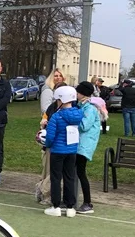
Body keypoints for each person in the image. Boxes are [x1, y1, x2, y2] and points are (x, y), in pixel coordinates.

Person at [43, 86, 83, 218]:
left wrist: (47, 144)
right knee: (69, 177)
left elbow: (50, 136)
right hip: (71, 151)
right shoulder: (78, 114)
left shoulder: (56, 116)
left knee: (56, 178)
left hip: (57, 151)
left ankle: (56, 206)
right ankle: (70, 206)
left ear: (61, 100)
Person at [75, 81, 102, 214]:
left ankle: (87, 203)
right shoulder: (82, 106)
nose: (76, 94)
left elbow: (84, 126)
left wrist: (73, 119)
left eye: (78, 92)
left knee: (81, 172)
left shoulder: (90, 109)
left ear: (83, 93)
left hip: (84, 145)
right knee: (75, 171)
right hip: (79, 144)